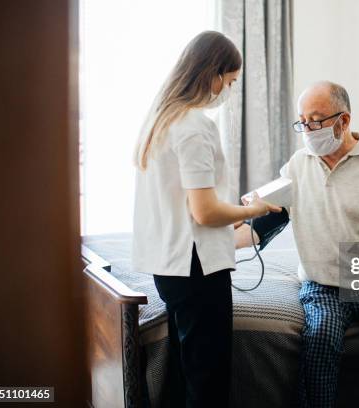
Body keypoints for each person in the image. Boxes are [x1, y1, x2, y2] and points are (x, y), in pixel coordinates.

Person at [246, 81, 359, 407]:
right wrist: (215, 238)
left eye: (317, 120)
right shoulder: (298, 165)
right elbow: (264, 219)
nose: (308, 129)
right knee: (320, 338)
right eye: (302, 121)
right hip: (322, 285)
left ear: (344, 120)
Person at [132, 31, 281, 408]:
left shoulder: (160, 120)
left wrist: (235, 210)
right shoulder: (195, 126)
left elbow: (186, 205)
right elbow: (204, 212)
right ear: (213, 73)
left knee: (188, 367)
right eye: (229, 82)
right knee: (209, 376)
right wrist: (254, 210)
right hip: (196, 268)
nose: (228, 91)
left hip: (169, 264)